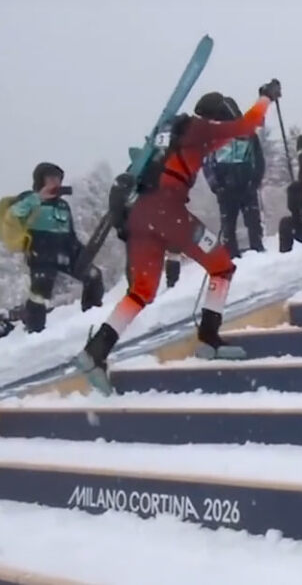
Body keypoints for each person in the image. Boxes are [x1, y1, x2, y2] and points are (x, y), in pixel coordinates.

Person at [75, 79, 281, 394]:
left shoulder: (173, 134)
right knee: (222, 266)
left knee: (142, 291)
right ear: (218, 115)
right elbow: (247, 126)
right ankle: (209, 338)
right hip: (166, 211)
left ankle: (95, 352)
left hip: (139, 215)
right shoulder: (201, 128)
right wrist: (265, 98)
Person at [2, 162, 104, 333]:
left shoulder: (63, 205)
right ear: (40, 180)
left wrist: (82, 253)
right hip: (41, 252)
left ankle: (91, 317)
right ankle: (34, 331)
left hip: (66, 250)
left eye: (58, 179)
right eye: (50, 178)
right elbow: (12, 215)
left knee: (93, 275)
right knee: (40, 289)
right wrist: (37, 198)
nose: (55, 182)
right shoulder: (29, 199)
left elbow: (70, 232)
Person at [200, 95, 266, 258]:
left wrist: (255, 181)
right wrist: (216, 186)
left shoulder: (248, 134)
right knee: (228, 224)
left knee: (253, 221)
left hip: (246, 184)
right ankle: (231, 254)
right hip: (226, 188)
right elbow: (207, 163)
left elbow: (258, 159)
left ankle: (257, 250)